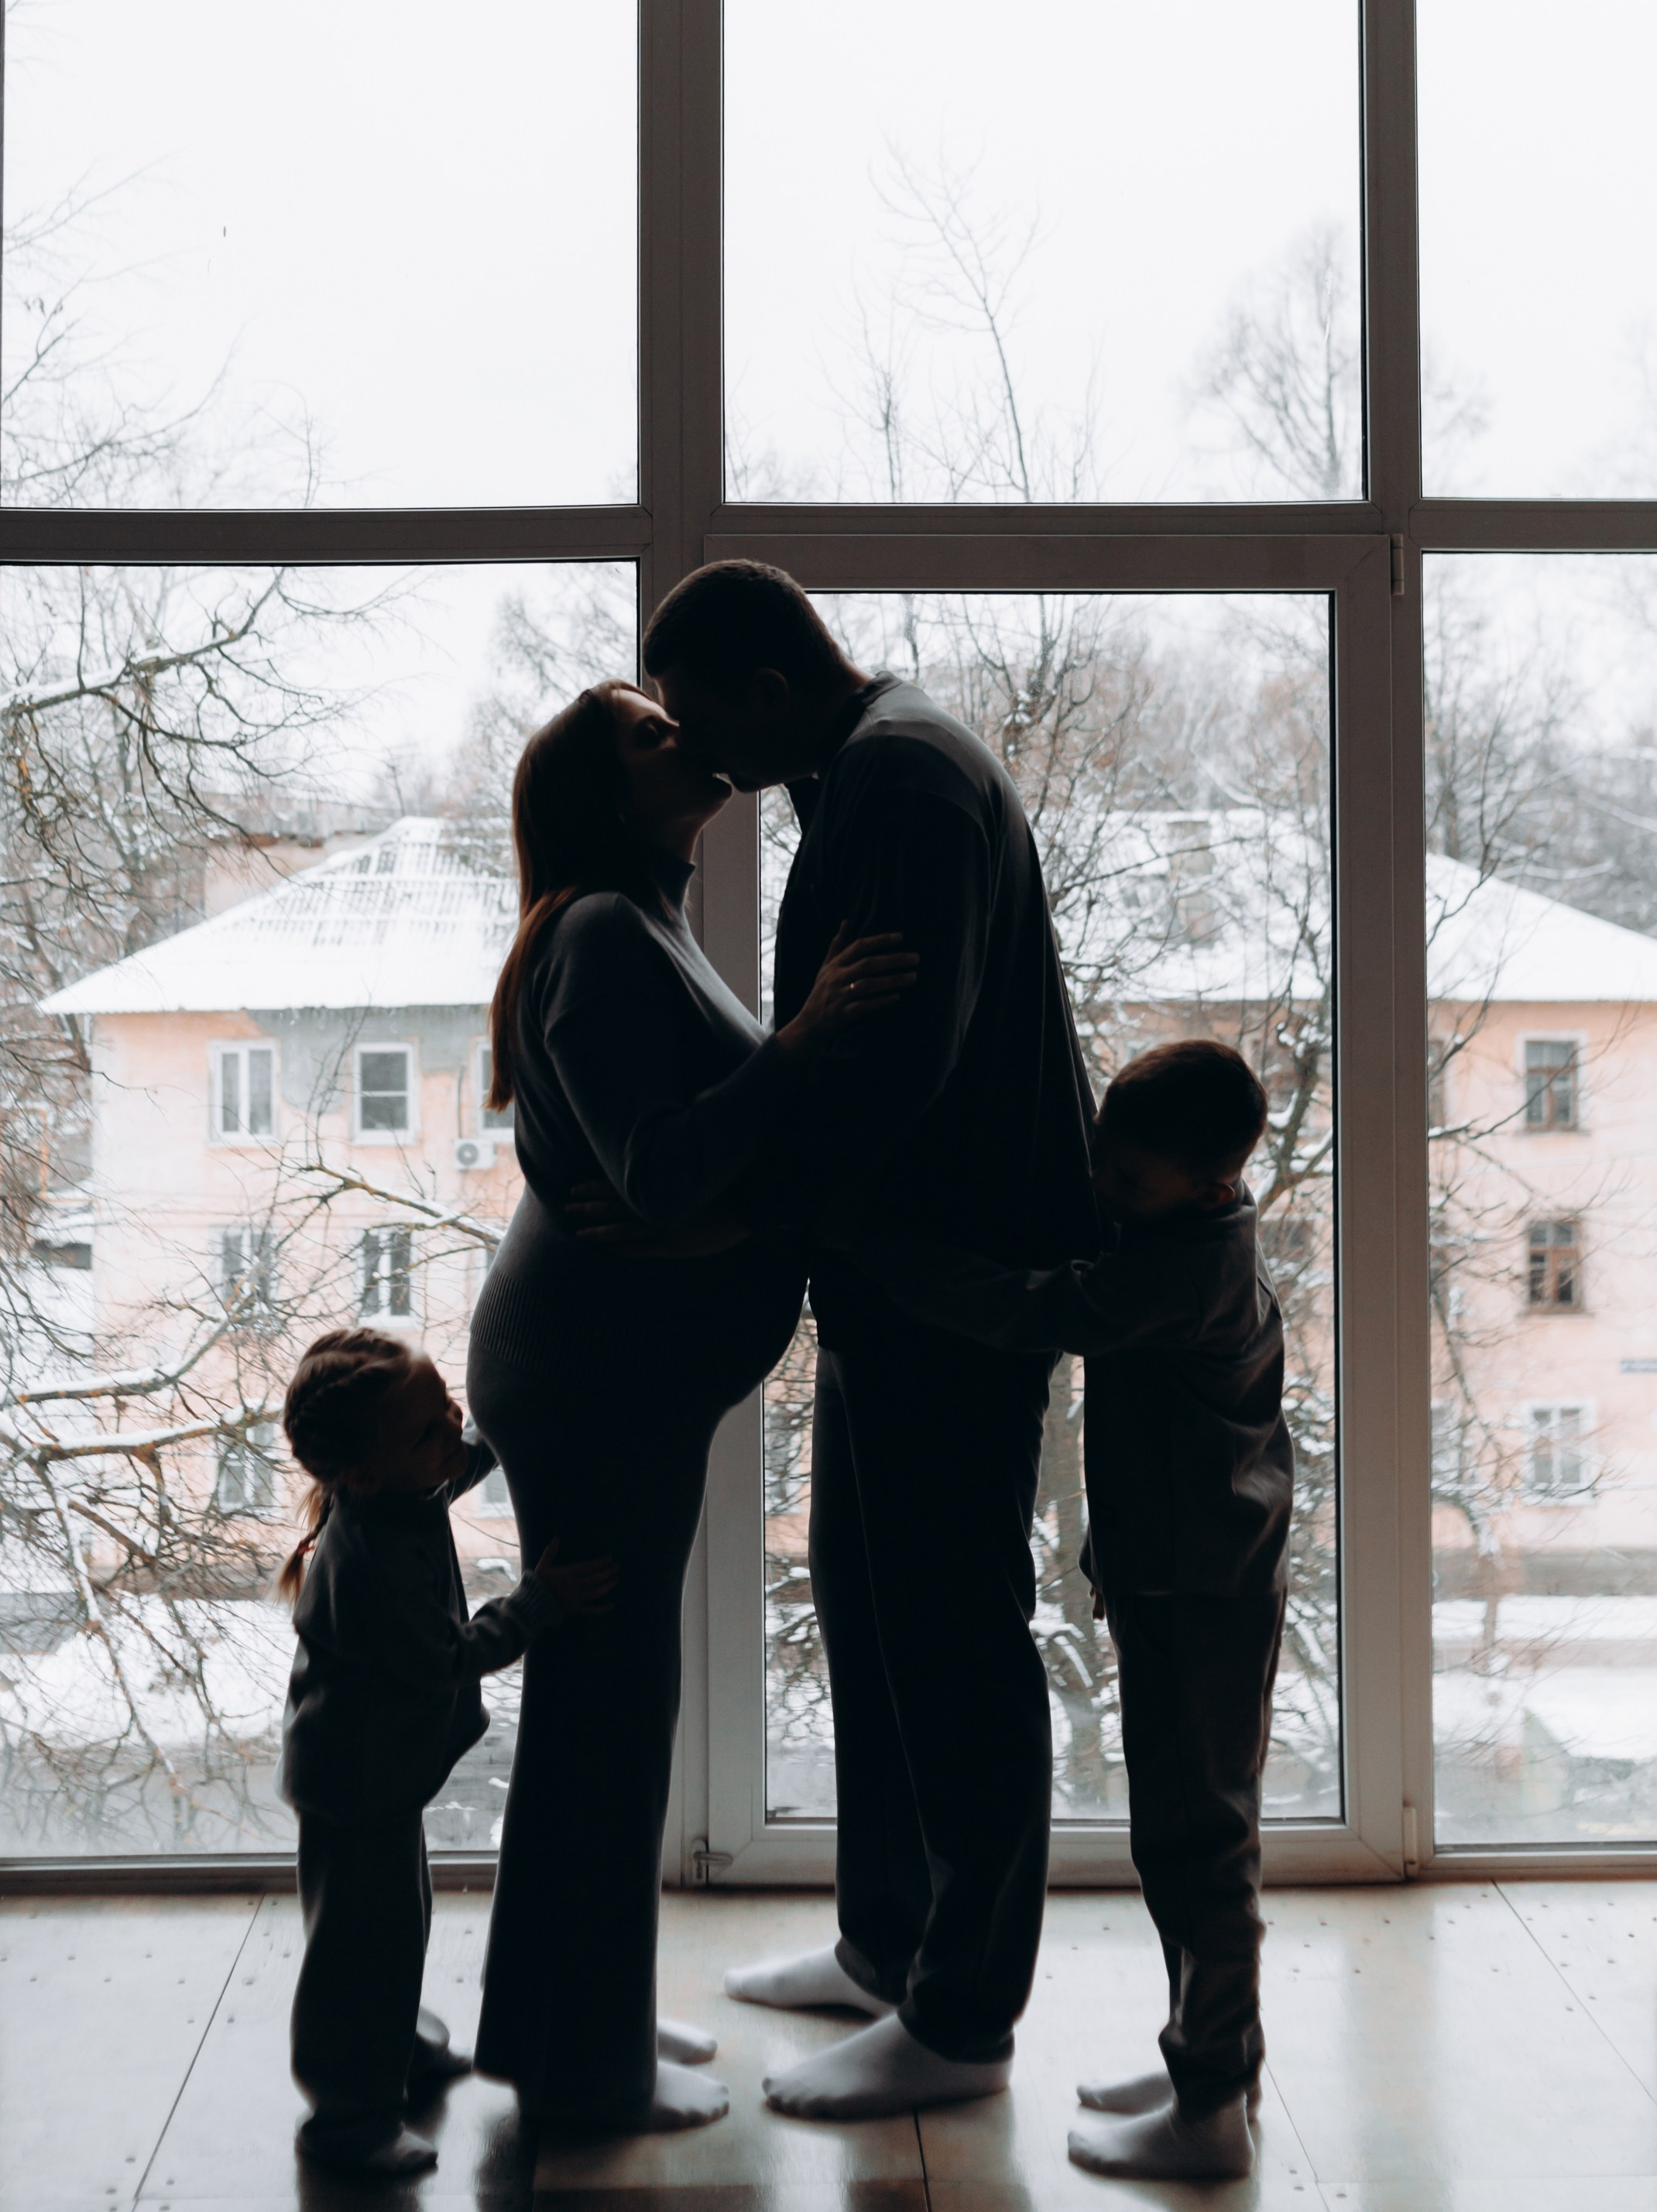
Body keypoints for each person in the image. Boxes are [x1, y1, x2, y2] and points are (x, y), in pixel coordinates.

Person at [637, 560, 1100, 2121]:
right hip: (904, 1273)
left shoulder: (897, 780)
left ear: (770, 687)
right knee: (870, 1597)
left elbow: (894, 1056)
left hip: (942, 1280)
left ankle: (959, 2020)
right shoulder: (885, 758)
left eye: (707, 725)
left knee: (950, 1631)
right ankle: (889, 1938)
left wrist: (740, 1208)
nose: (701, 762)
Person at [465, 677, 917, 2131]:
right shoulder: (601, 928)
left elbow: (679, 1173)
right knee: (606, 1712)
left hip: (617, 1376)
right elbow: (655, 1169)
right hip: (592, 1382)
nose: (688, 739)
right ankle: (575, 2076)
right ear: (607, 793)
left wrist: (746, 1221)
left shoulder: (635, 916)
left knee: (607, 1708)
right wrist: (795, 1047)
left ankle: (565, 2028)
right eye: (652, 736)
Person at [871, 1037, 1293, 2183]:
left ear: (1204, 1186)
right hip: (1188, 1572)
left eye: (1128, 1184)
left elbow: (1037, 1309)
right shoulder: (1198, 1229)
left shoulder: (1179, 1270)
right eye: (1104, 1167)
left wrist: (891, 1265)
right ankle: (1210, 2057)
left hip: (1199, 1591)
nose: (1105, 1194)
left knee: (1197, 1845)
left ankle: (1211, 2107)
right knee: (1191, 1838)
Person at [274, 1325, 615, 2180]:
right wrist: (538, 1601)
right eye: (431, 1426)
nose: (452, 1427)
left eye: (447, 1404)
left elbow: (465, 1457)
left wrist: (515, 1407)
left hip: (376, 1775)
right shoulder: (371, 1558)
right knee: (360, 1945)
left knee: (394, 1924)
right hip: (354, 1782)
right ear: (362, 1470)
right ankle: (345, 2117)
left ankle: (404, 2049)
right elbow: (446, 1656)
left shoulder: (398, 1488)